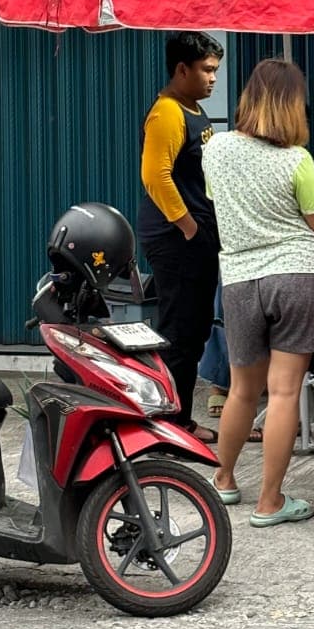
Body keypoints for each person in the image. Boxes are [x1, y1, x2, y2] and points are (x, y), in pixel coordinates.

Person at [201, 58, 314, 525]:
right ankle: (271, 501)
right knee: (282, 393)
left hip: (238, 277)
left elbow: (221, 202)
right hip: (296, 274)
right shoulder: (297, 160)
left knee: (241, 390)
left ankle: (224, 480)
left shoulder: (215, 149)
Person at [137, 31, 224, 444]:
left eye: (216, 71)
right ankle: (170, 424)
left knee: (194, 331)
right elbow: (155, 175)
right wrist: (189, 227)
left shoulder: (192, 109)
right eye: (206, 70)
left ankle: (180, 418)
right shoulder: (167, 113)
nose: (213, 79)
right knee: (179, 333)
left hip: (194, 238)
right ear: (181, 69)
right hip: (176, 241)